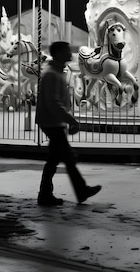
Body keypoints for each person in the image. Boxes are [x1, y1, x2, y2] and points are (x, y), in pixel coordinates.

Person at [35, 41, 102, 206]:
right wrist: (70, 119)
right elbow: (53, 102)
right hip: (52, 121)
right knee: (66, 157)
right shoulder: (51, 74)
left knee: (55, 158)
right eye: (66, 50)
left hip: (53, 121)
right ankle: (80, 190)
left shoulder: (56, 72)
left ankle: (46, 194)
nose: (70, 53)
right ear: (58, 53)